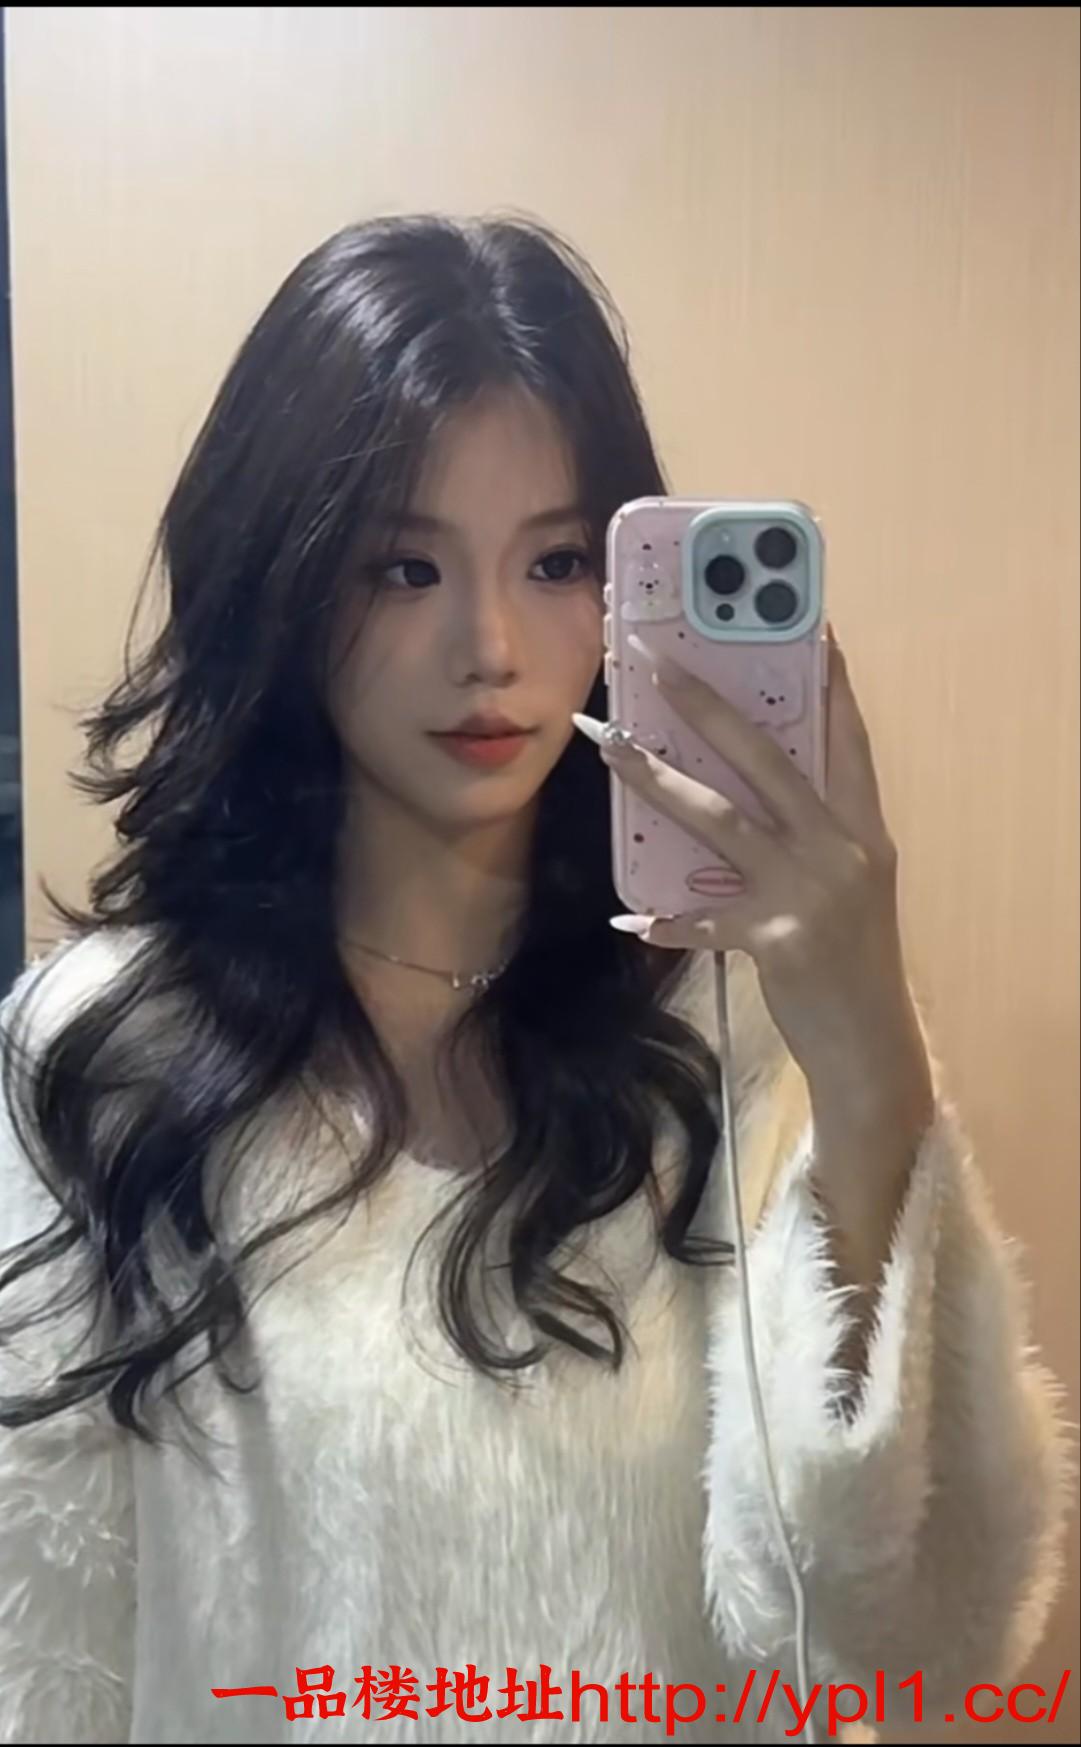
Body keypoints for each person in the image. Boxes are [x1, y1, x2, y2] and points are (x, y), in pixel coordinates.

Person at [0, 215, 1072, 1745]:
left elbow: (915, 1638)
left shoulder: (734, 1032)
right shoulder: (104, 1055)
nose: (491, 645)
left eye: (559, 561)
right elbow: (43, 1651)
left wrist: (864, 1053)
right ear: (281, 580)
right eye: (403, 566)